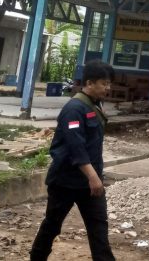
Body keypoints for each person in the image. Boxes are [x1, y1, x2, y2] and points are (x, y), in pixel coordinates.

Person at [30, 60, 115, 260]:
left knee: (98, 228)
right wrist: (93, 177)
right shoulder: (74, 109)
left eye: (109, 83)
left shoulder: (94, 105)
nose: (108, 88)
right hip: (65, 181)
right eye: (104, 83)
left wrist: (94, 177)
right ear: (89, 83)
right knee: (52, 225)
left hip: (89, 183)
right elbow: (75, 147)